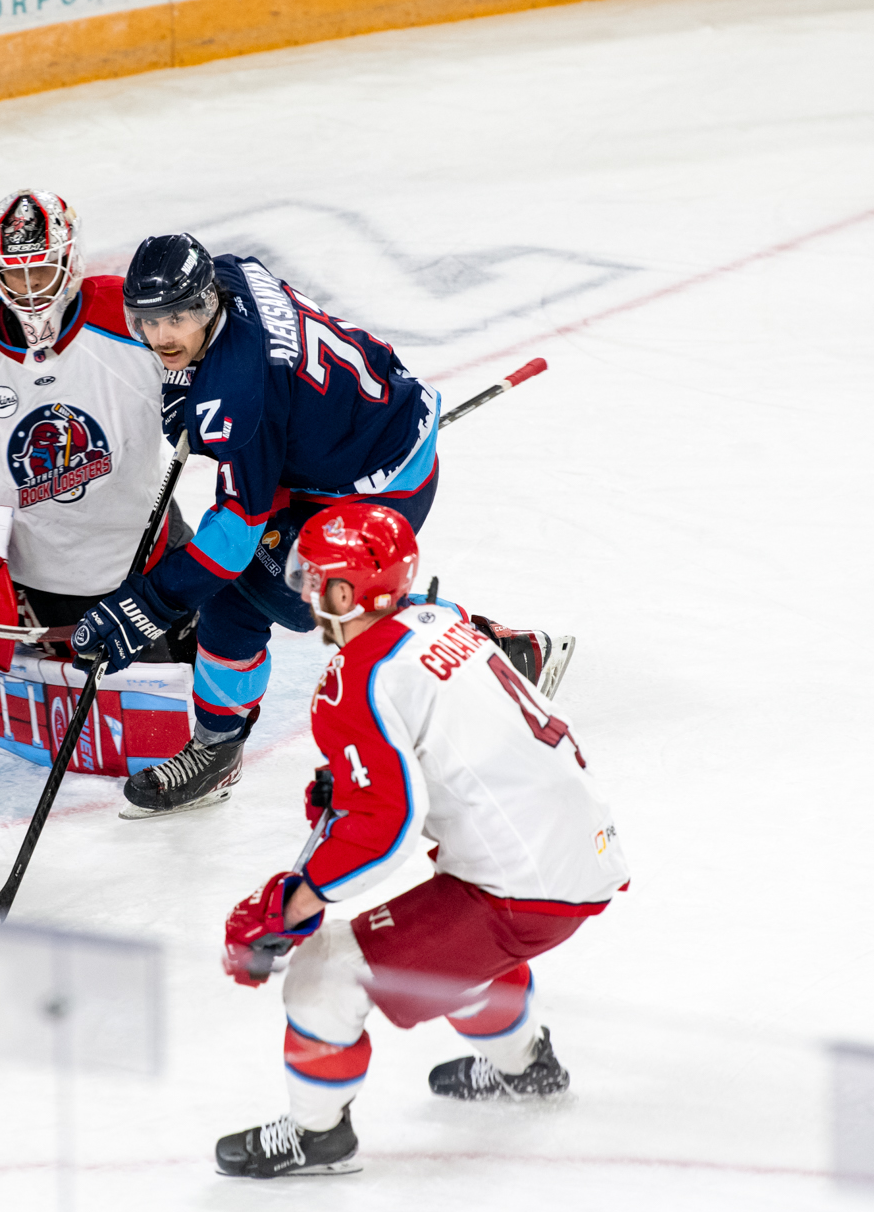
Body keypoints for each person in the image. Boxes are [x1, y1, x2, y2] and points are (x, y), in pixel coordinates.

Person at [73, 235, 569, 815]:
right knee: (265, 599)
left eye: (178, 318)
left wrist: (148, 604)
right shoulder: (230, 275)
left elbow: (234, 536)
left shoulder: (239, 395)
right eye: (149, 321)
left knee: (302, 600)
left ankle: (494, 653)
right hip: (344, 442)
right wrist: (192, 383)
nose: (162, 337)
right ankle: (218, 748)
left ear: (208, 303)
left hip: (379, 480)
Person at [211, 502, 628, 1178]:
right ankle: (527, 1067)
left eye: (317, 580)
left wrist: (295, 900)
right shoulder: (441, 620)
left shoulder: (351, 681)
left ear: (346, 592)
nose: (308, 595)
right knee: (454, 949)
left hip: (523, 887)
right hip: (582, 845)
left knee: (326, 974)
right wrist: (349, 776)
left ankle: (319, 1137)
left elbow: (388, 827)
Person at [0, 190, 191, 653]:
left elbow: (207, 375)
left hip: (151, 551)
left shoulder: (127, 315)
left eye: (41, 271)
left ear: (70, 259)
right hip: (38, 582)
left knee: (210, 672)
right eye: (14, 273)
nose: (29, 288)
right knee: (113, 715)